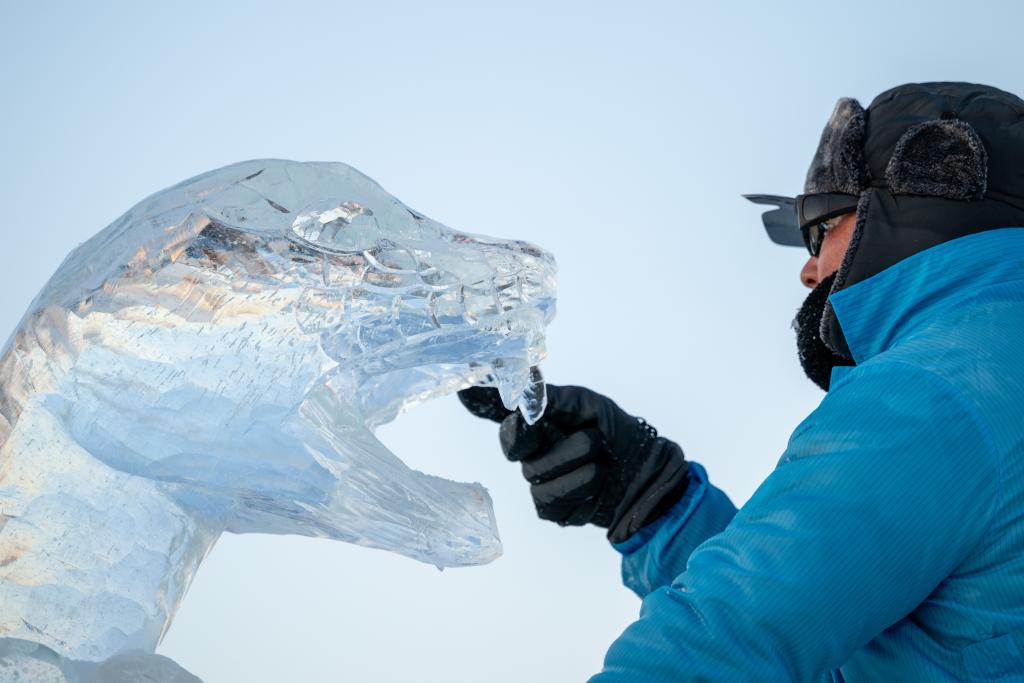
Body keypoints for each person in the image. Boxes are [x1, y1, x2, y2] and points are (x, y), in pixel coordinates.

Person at [459, 82, 1024, 681]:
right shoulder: (994, 376)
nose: (809, 271)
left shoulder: (933, 393)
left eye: (820, 227)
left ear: (917, 203)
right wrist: (653, 499)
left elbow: (716, 649)